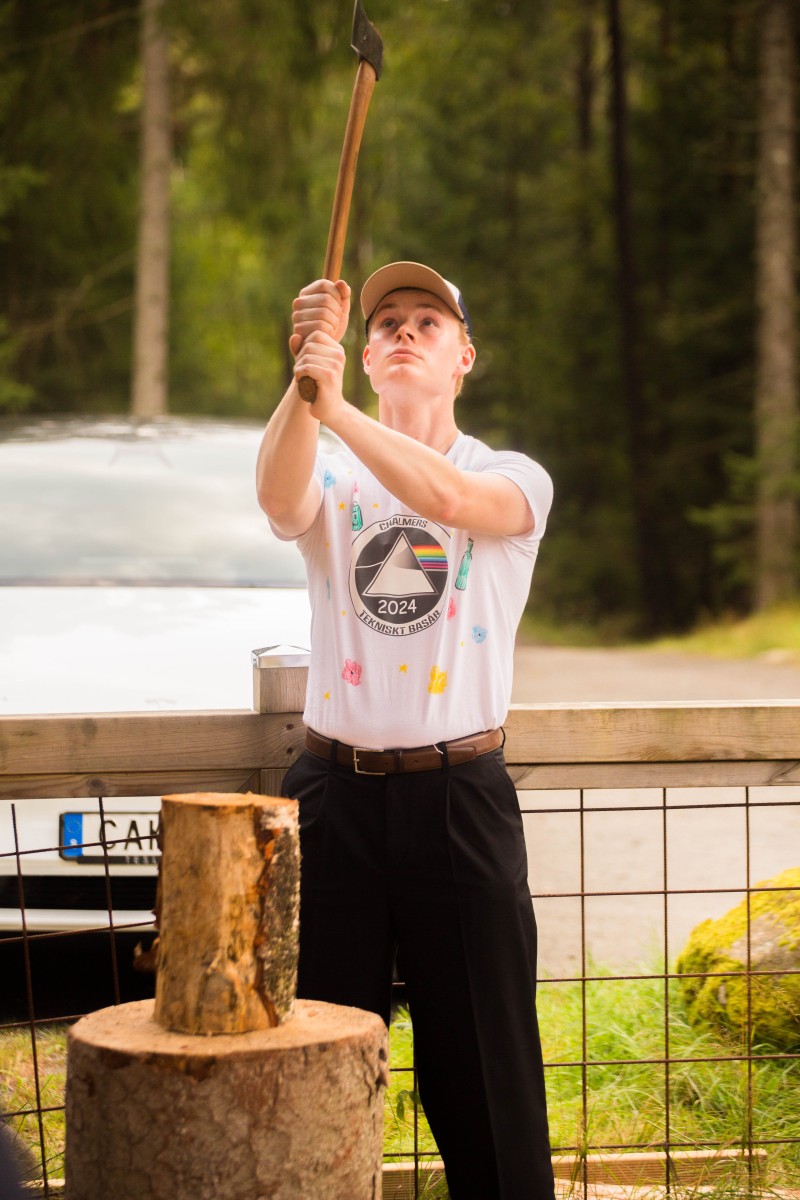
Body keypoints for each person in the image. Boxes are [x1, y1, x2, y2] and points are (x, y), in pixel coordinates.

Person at [256, 261, 555, 1200]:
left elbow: (451, 505)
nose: (403, 332)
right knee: (315, 1056)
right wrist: (305, 379)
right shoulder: (328, 467)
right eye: (385, 323)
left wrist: (337, 406)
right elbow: (277, 502)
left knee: (484, 1069)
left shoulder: (512, 476)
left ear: (464, 356)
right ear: (365, 353)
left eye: (428, 321)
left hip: (460, 798)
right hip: (332, 798)